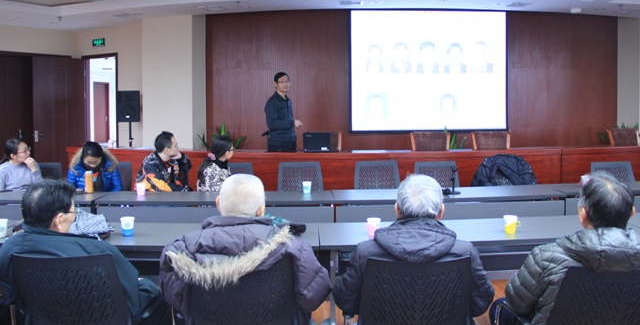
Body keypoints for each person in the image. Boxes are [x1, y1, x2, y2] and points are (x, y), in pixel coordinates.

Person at [160, 174, 331, 324]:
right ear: (261, 210)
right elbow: (313, 297)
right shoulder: (293, 245)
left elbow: (174, 297)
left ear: (218, 204)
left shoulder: (181, 248)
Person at [0, 180, 172, 325]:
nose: (75, 216)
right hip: (103, 318)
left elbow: (13, 298)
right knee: (153, 291)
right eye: (74, 212)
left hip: (42, 318)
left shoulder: (9, 249)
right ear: (59, 220)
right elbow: (131, 294)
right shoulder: (98, 250)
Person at [333, 174, 494, 324]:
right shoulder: (464, 252)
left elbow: (346, 301)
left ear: (397, 209)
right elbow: (480, 302)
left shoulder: (365, 252)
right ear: (441, 212)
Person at [491, 171, 640, 325]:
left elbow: (517, 302)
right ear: (632, 213)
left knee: (499, 305)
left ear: (583, 215)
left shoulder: (546, 257)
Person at [264, 72, 303, 152]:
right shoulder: (272, 102)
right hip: (278, 144)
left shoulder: (288, 100)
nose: (285, 84)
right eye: (282, 81)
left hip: (291, 142)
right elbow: (272, 124)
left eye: (287, 81)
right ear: (275, 84)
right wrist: (292, 123)